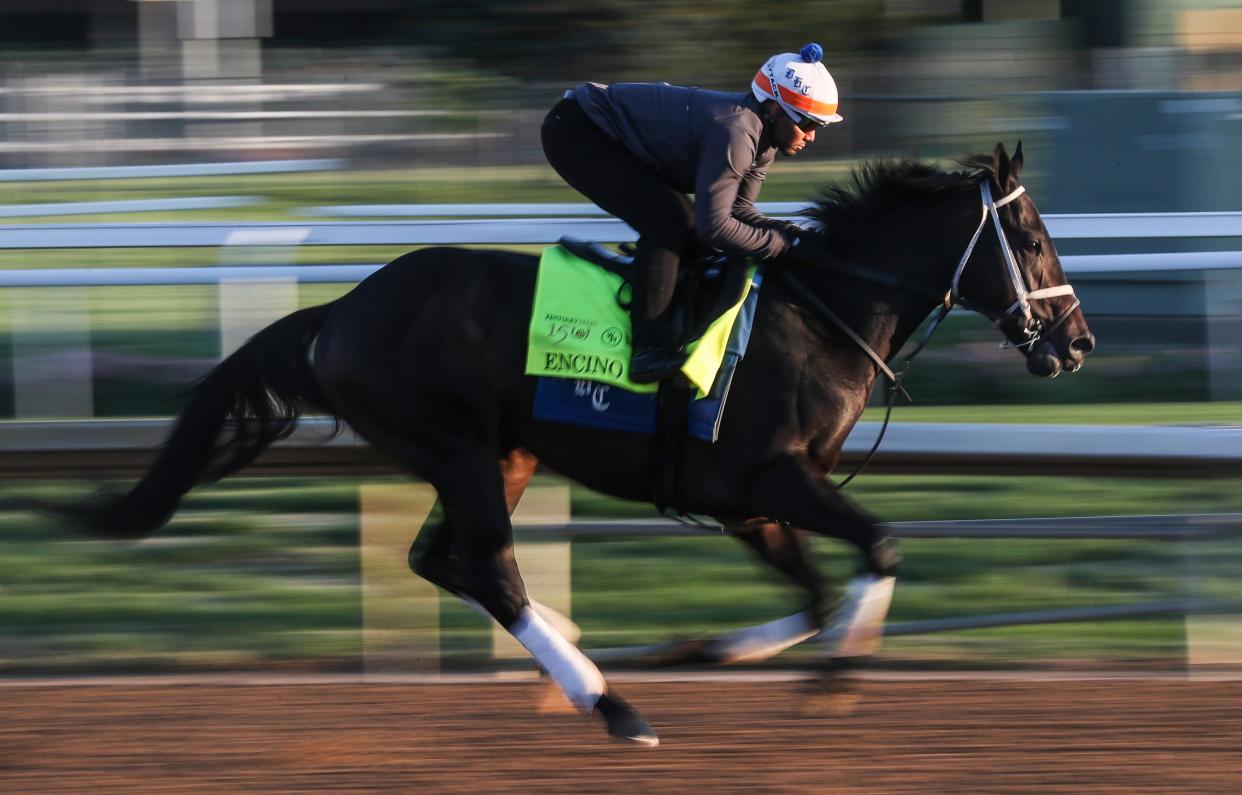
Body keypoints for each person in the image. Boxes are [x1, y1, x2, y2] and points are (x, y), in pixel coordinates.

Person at [541, 43, 843, 384]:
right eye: (806, 122)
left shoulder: (764, 141)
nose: (812, 136)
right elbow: (713, 227)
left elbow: (739, 211)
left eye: (819, 126)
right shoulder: (737, 132)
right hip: (578, 130)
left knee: (682, 224)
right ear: (774, 107)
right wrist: (783, 245)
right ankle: (648, 348)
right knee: (670, 223)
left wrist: (794, 235)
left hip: (607, 133)